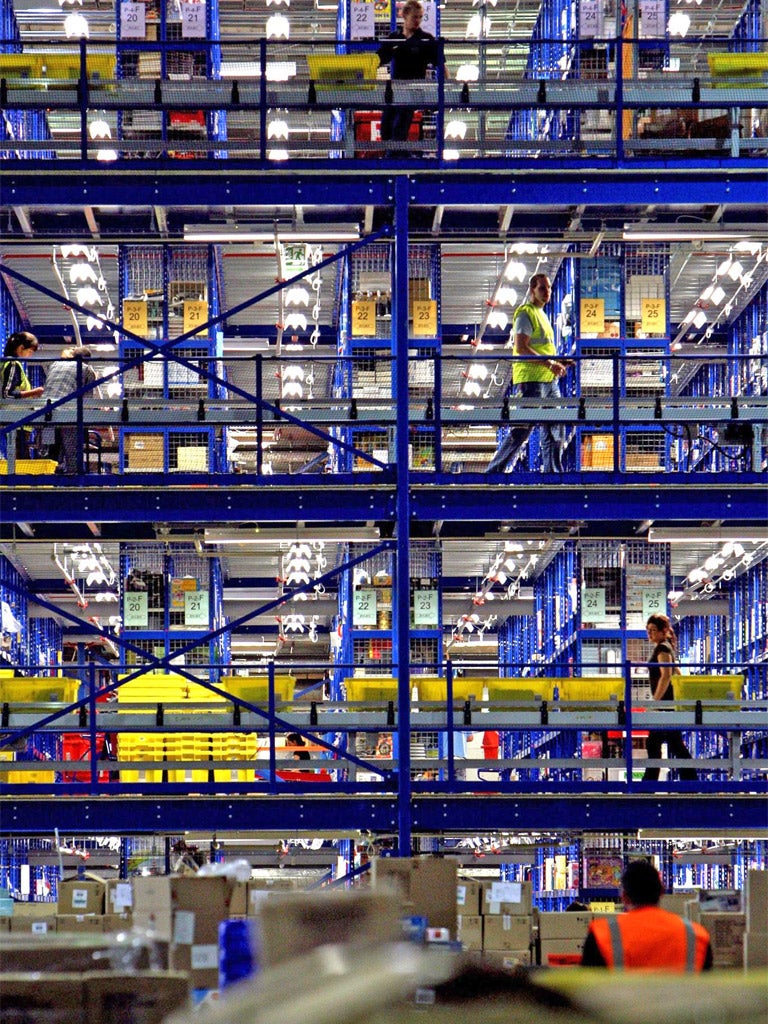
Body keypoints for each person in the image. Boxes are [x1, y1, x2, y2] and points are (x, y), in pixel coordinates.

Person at [486, 273, 570, 474]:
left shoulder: (543, 315)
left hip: (549, 381)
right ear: (532, 289)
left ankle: (553, 475)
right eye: (543, 288)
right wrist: (550, 364)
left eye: (549, 288)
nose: (547, 292)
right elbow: (522, 348)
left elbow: (541, 349)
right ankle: (493, 471)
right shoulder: (525, 313)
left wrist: (559, 362)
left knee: (555, 427)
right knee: (523, 428)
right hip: (532, 380)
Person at [581, 859, 712, 971]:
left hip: (621, 1001)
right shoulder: (696, 935)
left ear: (624, 897)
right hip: (681, 1001)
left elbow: (587, 991)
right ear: (661, 892)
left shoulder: (602, 934)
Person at [377, 0, 445, 155]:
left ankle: (397, 160)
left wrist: (447, 87)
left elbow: (441, 64)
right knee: (386, 128)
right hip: (394, 91)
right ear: (404, 15)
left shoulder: (426, 39)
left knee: (399, 128)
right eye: (415, 17)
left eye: (420, 17)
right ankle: (396, 156)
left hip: (414, 91)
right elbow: (378, 59)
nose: (418, 21)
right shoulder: (394, 38)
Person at [642, 613, 696, 781]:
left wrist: (654, 703)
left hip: (664, 705)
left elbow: (666, 676)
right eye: (648, 630)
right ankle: (690, 782)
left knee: (658, 744)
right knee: (670, 743)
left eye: (653, 630)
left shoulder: (663, 648)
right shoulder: (666, 647)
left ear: (663, 631)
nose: (649, 634)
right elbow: (677, 673)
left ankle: (650, 784)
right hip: (668, 704)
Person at [41, 346, 97, 475]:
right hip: (68, 415)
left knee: (49, 450)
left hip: (44, 413)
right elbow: (87, 400)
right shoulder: (86, 369)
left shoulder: (55, 365)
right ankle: (74, 484)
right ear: (86, 360)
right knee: (72, 451)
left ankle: (48, 480)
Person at [1, 331, 44, 460]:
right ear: (21, 348)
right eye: (30, 351)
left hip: (12, 420)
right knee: (21, 459)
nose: (30, 355)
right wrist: (34, 392)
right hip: (16, 422)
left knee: (18, 458)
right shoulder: (13, 364)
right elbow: (7, 394)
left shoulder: (4, 363)